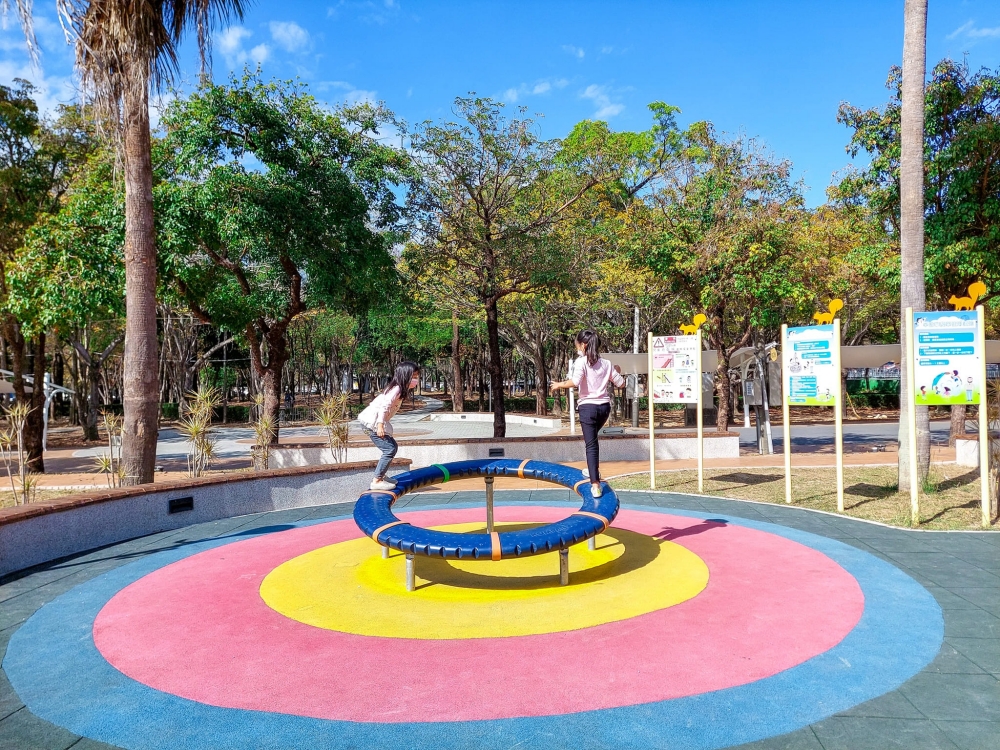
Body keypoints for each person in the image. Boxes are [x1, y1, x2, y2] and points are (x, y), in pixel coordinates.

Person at [550, 330, 625, 498]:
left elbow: (575, 382)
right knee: (592, 441)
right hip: (604, 409)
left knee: (591, 445)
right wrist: (617, 370)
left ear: (583, 345)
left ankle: (595, 484)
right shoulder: (606, 363)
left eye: (577, 345)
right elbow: (621, 383)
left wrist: (558, 385)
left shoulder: (581, 362)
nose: (577, 348)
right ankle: (592, 471)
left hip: (588, 409)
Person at [357, 361, 420, 491]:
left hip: (372, 423)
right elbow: (384, 407)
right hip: (371, 424)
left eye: (417, 376)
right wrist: (380, 426)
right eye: (413, 376)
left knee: (392, 447)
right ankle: (377, 480)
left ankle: (381, 476)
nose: (416, 379)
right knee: (389, 449)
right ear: (405, 375)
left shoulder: (399, 389)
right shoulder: (396, 389)